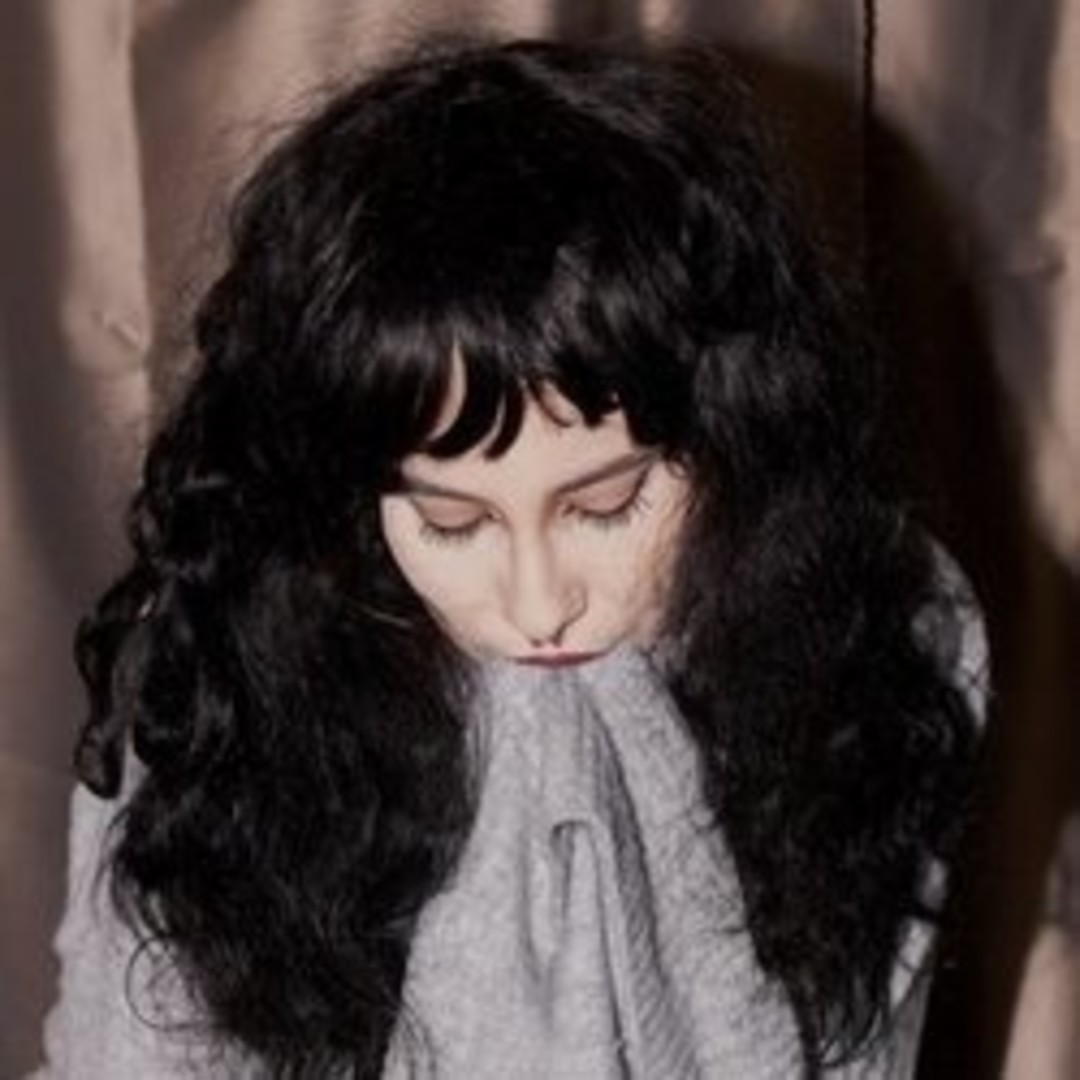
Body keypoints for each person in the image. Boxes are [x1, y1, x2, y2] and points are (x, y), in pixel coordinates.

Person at [31, 37, 987, 1079]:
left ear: (736, 437)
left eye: (605, 504)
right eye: (453, 523)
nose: (539, 605)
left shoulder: (891, 635)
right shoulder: (213, 680)